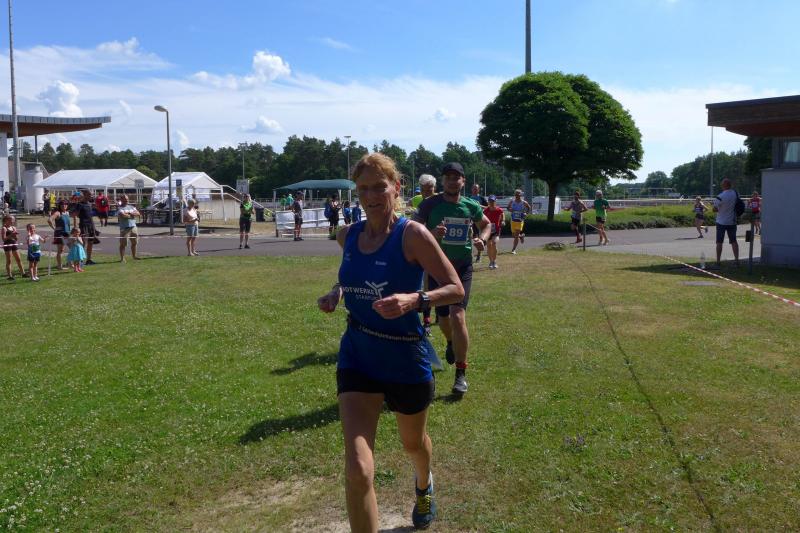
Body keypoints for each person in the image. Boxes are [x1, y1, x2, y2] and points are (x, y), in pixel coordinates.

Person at [317, 152, 463, 532]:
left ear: (396, 188)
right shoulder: (347, 235)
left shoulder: (412, 235)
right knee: (358, 469)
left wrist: (415, 300)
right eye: (363, 188)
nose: (371, 196)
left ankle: (424, 483)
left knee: (413, 444)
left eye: (379, 187)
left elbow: (455, 288)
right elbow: (351, 275)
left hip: (405, 359)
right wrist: (337, 292)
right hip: (359, 355)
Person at [415, 162, 490, 395]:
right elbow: (412, 231)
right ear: (443, 181)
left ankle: (461, 374)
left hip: (462, 267)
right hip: (437, 268)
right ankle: (450, 342)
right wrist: (431, 233)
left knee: (458, 316)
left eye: (456, 177)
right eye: (448, 177)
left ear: (463, 182)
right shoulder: (429, 204)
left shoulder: (471, 205)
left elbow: (486, 224)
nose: (452, 181)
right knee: (444, 319)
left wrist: (482, 239)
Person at [712, 178, 740, 268]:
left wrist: (715, 207)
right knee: (734, 241)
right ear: (730, 185)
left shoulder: (720, 196)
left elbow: (715, 209)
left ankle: (718, 261)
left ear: (723, 186)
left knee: (719, 242)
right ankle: (736, 260)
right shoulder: (735, 193)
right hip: (732, 221)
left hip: (721, 222)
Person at [71, 190, 99, 265]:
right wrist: (75, 227)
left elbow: (91, 216)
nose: (91, 196)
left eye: (91, 195)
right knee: (82, 243)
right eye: (89, 194)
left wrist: (94, 227)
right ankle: (80, 260)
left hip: (91, 225)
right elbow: (75, 215)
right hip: (83, 225)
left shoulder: (89, 204)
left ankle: (89, 260)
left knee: (91, 242)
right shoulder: (79, 204)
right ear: (85, 195)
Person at [468, 184, 489, 263]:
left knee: (479, 238)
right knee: (470, 237)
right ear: (471, 189)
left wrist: (479, 206)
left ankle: (479, 256)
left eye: (476, 188)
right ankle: (470, 255)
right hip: (470, 220)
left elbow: (487, 207)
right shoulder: (468, 198)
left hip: (479, 220)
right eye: (474, 188)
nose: (475, 190)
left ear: (478, 189)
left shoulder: (481, 198)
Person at [48, 200, 71, 270]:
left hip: (67, 233)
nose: (64, 205)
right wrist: (54, 228)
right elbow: (49, 220)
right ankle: (59, 266)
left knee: (72, 248)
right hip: (60, 233)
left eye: (65, 204)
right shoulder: (58, 213)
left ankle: (69, 263)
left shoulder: (67, 213)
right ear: (60, 206)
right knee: (61, 250)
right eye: (62, 204)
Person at [507, 189, 531, 254]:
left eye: (518, 194)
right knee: (514, 235)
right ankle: (521, 237)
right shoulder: (512, 201)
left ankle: (513, 249)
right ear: (515, 195)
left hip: (520, 221)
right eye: (516, 194)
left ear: (521, 195)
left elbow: (529, 207)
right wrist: (510, 209)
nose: (517, 196)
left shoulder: (523, 202)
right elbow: (508, 208)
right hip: (513, 220)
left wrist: (526, 213)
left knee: (516, 236)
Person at [117, 194, 140, 261]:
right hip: (124, 228)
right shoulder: (120, 208)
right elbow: (123, 216)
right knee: (123, 244)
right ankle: (122, 258)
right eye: (125, 199)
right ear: (121, 200)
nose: (127, 200)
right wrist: (131, 215)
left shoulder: (131, 207)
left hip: (133, 227)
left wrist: (130, 214)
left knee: (134, 242)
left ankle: (134, 257)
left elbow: (138, 213)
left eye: (127, 199)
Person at [483, 195, 504, 269]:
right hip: (488, 230)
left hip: (496, 230)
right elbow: (482, 219)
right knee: (489, 245)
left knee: (494, 243)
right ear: (488, 202)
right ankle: (491, 262)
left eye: (493, 201)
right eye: (490, 201)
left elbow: (502, 214)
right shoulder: (486, 211)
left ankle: (494, 261)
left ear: (495, 202)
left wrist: (503, 221)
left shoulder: (499, 210)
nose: (491, 203)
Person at [2, 215, 25, 280]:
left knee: (18, 259)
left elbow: (16, 239)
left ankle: (23, 273)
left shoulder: (14, 228)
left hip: (14, 244)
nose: (13, 221)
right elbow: (4, 239)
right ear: (6, 220)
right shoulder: (4, 228)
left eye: (13, 220)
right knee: (9, 260)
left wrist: (15, 235)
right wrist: (11, 235)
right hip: (7, 245)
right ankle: (10, 276)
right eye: (11, 220)